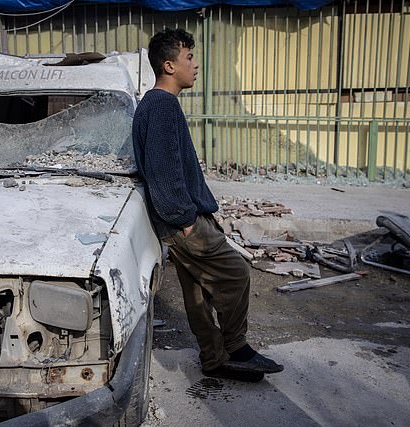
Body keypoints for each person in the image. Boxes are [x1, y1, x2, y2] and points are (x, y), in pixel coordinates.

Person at [132, 28, 283, 381]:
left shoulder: (155, 104)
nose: (195, 65)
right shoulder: (162, 105)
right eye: (188, 58)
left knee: (198, 291)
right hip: (182, 221)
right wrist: (186, 220)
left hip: (178, 219)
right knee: (235, 274)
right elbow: (163, 171)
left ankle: (215, 360)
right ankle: (237, 348)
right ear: (169, 66)